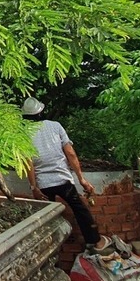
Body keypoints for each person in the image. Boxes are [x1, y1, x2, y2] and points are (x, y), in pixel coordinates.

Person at [21, 97, 113, 255]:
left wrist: (34, 187)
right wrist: (81, 179)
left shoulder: (24, 134)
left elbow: (28, 163)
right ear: (41, 112)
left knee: (45, 218)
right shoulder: (55, 126)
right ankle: (95, 242)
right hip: (62, 179)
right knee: (80, 210)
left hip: (43, 184)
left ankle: (49, 253)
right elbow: (70, 153)